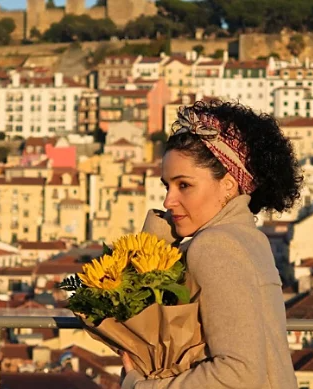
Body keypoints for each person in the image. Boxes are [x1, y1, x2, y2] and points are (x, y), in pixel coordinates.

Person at [120, 100, 303, 389]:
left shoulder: (213, 247)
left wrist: (139, 386)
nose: (168, 200)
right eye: (166, 186)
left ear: (229, 185)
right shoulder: (251, 239)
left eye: (184, 185)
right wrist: (163, 234)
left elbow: (238, 373)